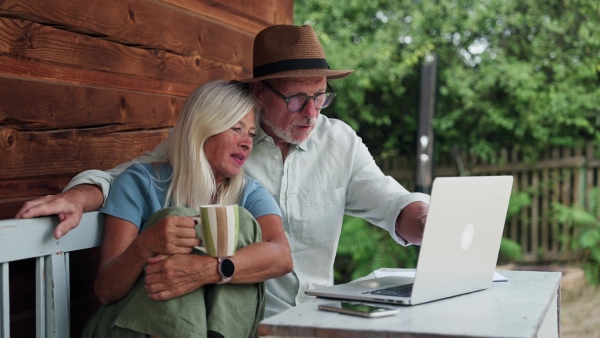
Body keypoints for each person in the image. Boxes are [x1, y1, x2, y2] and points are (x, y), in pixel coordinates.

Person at [16, 24, 429, 317]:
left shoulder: (340, 142)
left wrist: (424, 220)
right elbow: (131, 176)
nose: (312, 113)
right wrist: (75, 196)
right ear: (259, 93)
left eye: (321, 97)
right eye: (298, 99)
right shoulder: (218, 146)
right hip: (241, 320)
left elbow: (391, 202)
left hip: (319, 314)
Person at [80, 80, 292, 337]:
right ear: (202, 128)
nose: (247, 143)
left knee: (241, 223)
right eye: (236, 128)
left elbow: (281, 256)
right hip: (128, 328)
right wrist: (145, 244)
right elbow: (105, 290)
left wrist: (208, 271)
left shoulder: (249, 192)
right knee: (179, 219)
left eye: (250, 133)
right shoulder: (139, 182)